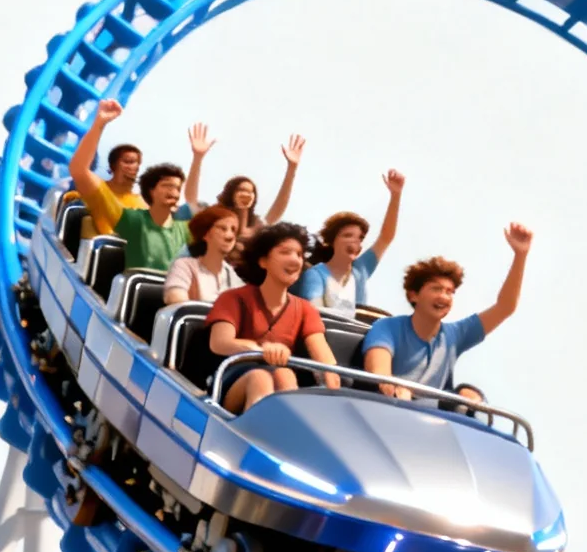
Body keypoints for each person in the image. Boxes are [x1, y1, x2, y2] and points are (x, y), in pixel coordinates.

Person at [361, 223, 532, 405]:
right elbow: (379, 373)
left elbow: (505, 307)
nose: (444, 297)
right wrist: (392, 386)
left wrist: (520, 256)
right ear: (414, 295)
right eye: (436, 289)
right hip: (386, 410)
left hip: (432, 420)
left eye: (450, 291)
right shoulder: (387, 327)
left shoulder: (455, 334)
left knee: (471, 395)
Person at [205, 221, 339, 413]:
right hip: (233, 377)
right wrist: (262, 350)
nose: (295, 260)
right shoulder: (233, 298)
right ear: (263, 261)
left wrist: (330, 376)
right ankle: (252, 430)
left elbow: (323, 355)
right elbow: (219, 342)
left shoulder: (305, 309)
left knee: (286, 375)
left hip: (279, 376)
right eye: (285, 252)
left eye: (299, 255)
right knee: (260, 379)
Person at [294, 170, 404, 317]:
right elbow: (313, 312)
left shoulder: (360, 270)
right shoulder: (316, 274)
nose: (355, 241)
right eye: (347, 235)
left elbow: (386, 237)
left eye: (360, 238)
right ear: (331, 242)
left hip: (358, 335)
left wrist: (396, 196)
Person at [182, 121, 305, 234]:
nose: (247, 194)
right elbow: (191, 199)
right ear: (231, 193)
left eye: (251, 192)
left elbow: (276, 213)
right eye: (241, 190)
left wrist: (292, 169)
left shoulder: (255, 226)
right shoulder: (213, 217)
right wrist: (197, 158)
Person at [67, 99, 146, 240]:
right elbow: (78, 169)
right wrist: (99, 124)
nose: (132, 168)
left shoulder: (141, 204)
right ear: (112, 167)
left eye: (136, 164)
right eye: (127, 162)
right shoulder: (100, 190)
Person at [112, 162, 190, 273]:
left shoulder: (184, 228)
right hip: (140, 287)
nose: (174, 192)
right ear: (151, 190)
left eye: (178, 188)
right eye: (167, 186)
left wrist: (198, 158)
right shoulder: (133, 219)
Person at [162, 204, 242, 304]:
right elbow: (175, 299)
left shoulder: (231, 273)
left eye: (233, 230)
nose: (230, 236)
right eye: (223, 228)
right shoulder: (184, 266)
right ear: (206, 234)